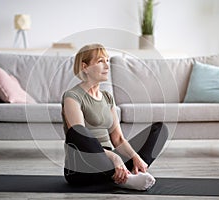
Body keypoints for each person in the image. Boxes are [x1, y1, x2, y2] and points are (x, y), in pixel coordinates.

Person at [61, 43, 168, 191]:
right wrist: (115, 158)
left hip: (108, 161)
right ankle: (126, 177)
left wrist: (136, 157)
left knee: (159, 129)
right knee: (77, 131)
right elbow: (78, 137)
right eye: (100, 61)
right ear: (85, 67)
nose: (107, 66)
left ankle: (124, 173)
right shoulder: (72, 97)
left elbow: (118, 139)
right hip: (82, 167)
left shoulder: (107, 97)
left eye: (107, 60)